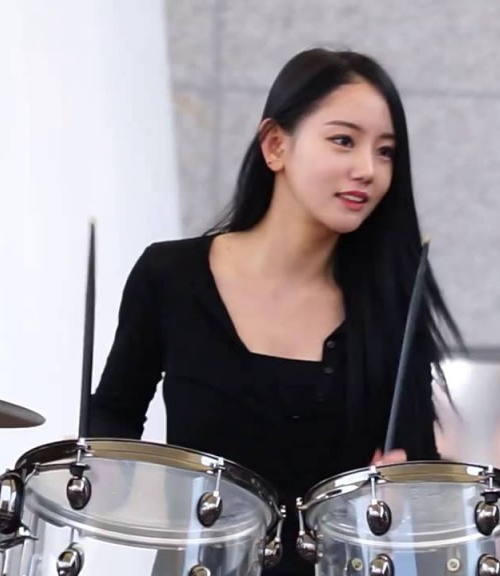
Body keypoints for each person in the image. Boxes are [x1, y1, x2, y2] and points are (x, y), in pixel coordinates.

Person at [89, 47, 461, 575]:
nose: (368, 170)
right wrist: (104, 470)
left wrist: (409, 492)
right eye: (343, 140)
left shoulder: (391, 303)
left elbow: (415, 468)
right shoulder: (170, 275)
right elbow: (114, 413)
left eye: (385, 152)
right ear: (275, 145)